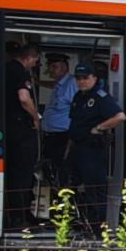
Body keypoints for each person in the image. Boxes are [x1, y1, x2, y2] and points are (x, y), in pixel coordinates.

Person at [63, 62, 126, 235]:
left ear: (94, 78)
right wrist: (68, 149)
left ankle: (97, 232)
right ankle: (78, 224)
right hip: (77, 149)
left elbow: (120, 116)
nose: (82, 81)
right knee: (69, 188)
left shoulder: (100, 97)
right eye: (79, 78)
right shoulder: (78, 97)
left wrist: (99, 127)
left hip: (93, 150)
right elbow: (74, 124)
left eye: (85, 78)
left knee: (95, 191)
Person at [0, 39, 43, 234]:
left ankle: (16, 215)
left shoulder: (5, 69)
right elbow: (24, 98)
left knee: (14, 173)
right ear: (29, 57)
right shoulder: (20, 72)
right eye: (35, 61)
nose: (34, 65)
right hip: (21, 131)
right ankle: (19, 218)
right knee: (22, 175)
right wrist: (35, 117)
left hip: (9, 130)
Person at [39, 52, 76, 204]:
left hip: (63, 137)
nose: (51, 70)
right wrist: (37, 81)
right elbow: (51, 84)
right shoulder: (59, 84)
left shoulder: (72, 84)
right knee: (51, 174)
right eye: (50, 67)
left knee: (61, 176)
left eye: (55, 67)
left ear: (65, 68)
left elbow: (76, 111)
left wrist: (71, 141)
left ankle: (64, 209)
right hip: (51, 137)